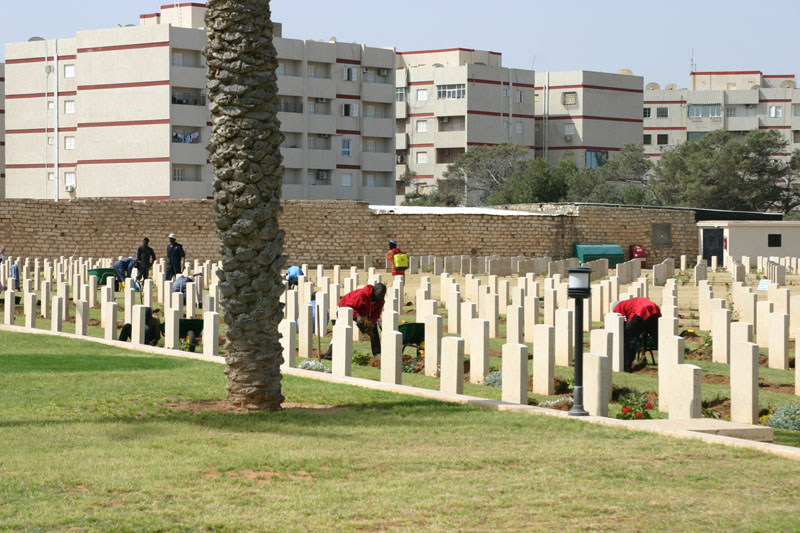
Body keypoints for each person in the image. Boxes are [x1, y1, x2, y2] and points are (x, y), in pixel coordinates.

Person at [323, 282, 386, 360]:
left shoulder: (380, 300)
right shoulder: (362, 294)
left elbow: (376, 313)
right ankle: (329, 354)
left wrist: (372, 322)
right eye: (379, 294)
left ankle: (377, 354)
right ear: (374, 291)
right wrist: (357, 316)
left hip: (362, 313)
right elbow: (347, 305)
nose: (380, 297)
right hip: (344, 308)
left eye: (382, 295)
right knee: (340, 331)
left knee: (373, 330)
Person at [613, 297, 662, 373]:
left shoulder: (617, 307)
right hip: (654, 310)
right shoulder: (630, 302)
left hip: (640, 311)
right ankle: (668, 363)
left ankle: (627, 366)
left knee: (629, 339)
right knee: (659, 339)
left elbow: (623, 322)